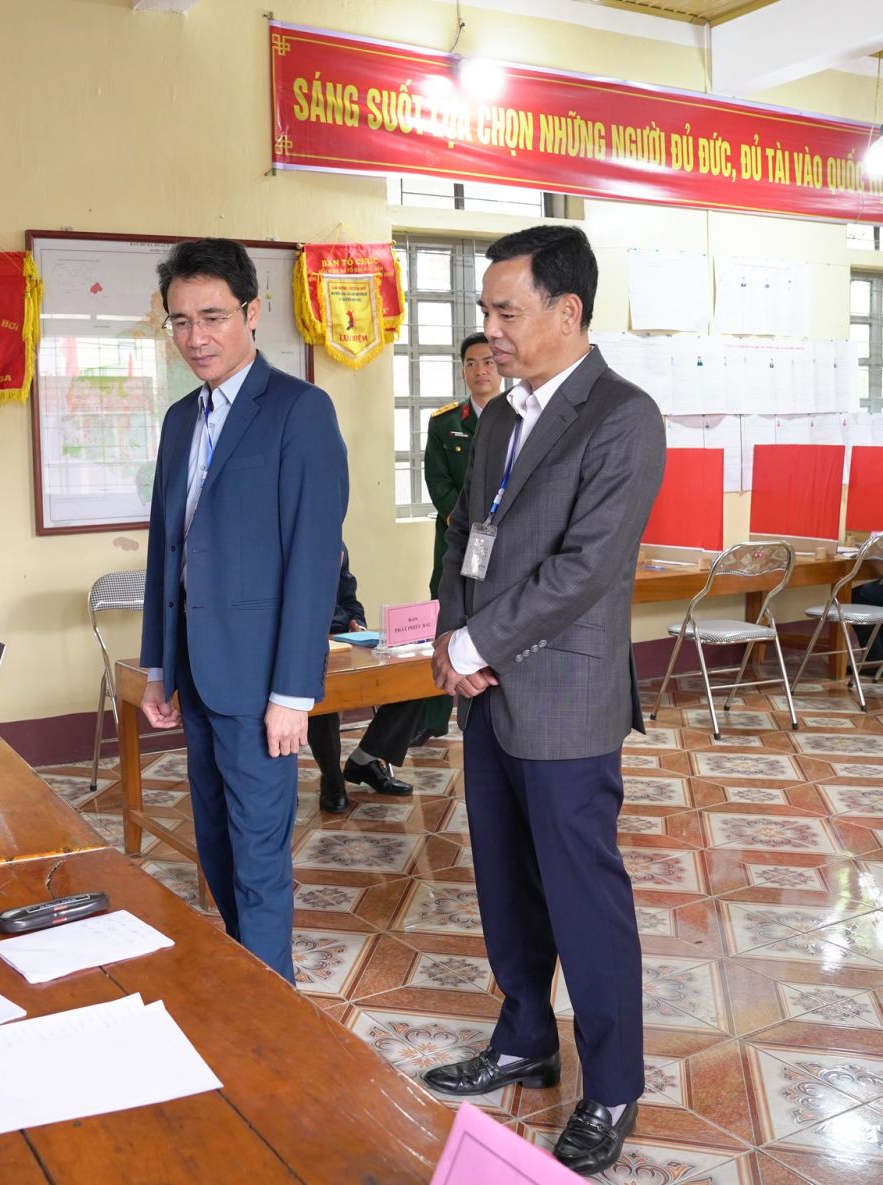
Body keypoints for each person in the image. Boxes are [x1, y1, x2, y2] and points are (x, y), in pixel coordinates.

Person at [421, 225, 664, 1176]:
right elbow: (462, 537)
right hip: (487, 693)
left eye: (506, 312)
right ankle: (524, 1034)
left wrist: (474, 643)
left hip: (565, 696)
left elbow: (584, 567)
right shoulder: (498, 419)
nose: (491, 331)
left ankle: (613, 1085)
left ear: (568, 311)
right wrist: (451, 636)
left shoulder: (623, 417)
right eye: (486, 312)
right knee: (504, 881)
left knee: (582, 895)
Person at [138, 237, 348, 981]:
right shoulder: (179, 419)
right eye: (180, 320)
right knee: (217, 845)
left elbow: (314, 561)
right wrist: (158, 666)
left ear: (253, 312)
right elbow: (167, 549)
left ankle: (272, 1012)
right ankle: (248, 981)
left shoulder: (299, 411)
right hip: (196, 673)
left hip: (261, 684)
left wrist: (294, 692)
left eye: (213, 317)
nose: (196, 337)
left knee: (259, 858)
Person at [417, 332, 506, 745]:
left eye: (488, 361)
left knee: (498, 614)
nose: (480, 370)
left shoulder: (519, 416)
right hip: (459, 541)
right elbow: (439, 485)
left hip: (504, 543)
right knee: (446, 616)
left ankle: (496, 703)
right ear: (462, 371)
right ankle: (433, 716)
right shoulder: (446, 423)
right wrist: (470, 528)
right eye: (471, 363)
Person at [308, 548, 428, 809]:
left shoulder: (337, 545)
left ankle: (364, 758)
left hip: (345, 637)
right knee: (321, 688)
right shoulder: (286, 541)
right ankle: (332, 780)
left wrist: (357, 622)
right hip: (307, 638)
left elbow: (349, 599)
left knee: (415, 674)